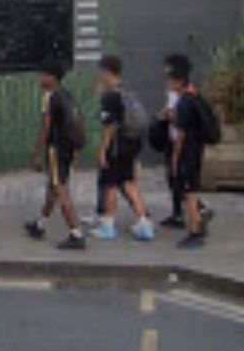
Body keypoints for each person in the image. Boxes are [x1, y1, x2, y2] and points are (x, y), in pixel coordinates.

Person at [25, 58, 87, 250]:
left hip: (55, 149)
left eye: (43, 75)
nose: (39, 78)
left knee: (59, 188)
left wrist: (36, 153)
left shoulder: (50, 97)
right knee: (53, 187)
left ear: (51, 77)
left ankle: (76, 233)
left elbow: (46, 126)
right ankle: (40, 224)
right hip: (67, 148)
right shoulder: (67, 95)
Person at [92, 54, 153, 241]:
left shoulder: (110, 96)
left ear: (106, 71)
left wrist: (103, 149)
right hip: (131, 143)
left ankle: (107, 225)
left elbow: (109, 125)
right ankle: (144, 222)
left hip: (117, 144)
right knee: (128, 181)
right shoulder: (126, 92)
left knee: (110, 182)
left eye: (100, 72)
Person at [164, 53, 209, 249]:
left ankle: (195, 232)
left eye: (170, 79)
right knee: (190, 191)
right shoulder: (194, 95)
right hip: (197, 149)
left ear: (179, 81)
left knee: (189, 193)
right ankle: (197, 224)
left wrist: (174, 159)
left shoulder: (184, 103)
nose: (168, 83)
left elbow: (180, 135)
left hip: (187, 153)